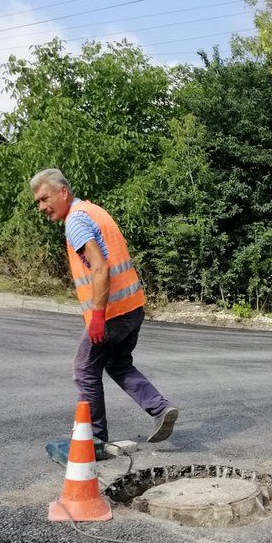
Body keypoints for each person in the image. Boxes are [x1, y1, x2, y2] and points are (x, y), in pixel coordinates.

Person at [31, 168, 178, 445]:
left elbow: (100, 268)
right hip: (133, 306)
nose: (41, 207)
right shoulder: (93, 210)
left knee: (84, 370)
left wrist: (97, 317)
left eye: (44, 198)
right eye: (38, 201)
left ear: (63, 192)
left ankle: (94, 439)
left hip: (111, 313)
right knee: (118, 364)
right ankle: (160, 408)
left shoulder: (75, 221)